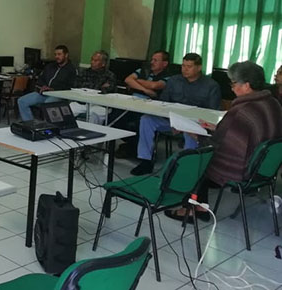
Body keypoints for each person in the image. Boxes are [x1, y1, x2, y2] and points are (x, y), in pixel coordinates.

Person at [164, 61, 282, 222]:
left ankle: (195, 210)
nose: (232, 88)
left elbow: (216, 145)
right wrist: (217, 127)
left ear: (246, 85)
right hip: (264, 169)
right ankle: (199, 206)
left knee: (196, 160)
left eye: (233, 83)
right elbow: (242, 133)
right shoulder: (273, 103)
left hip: (243, 170)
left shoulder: (242, 110)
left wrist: (193, 132)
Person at [131, 53, 221, 175]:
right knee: (146, 120)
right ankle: (145, 160)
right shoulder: (174, 81)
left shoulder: (211, 85)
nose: (185, 69)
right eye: (183, 66)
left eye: (189, 66)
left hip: (194, 123)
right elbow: (163, 103)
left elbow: (212, 112)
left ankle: (186, 167)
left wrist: (184, 124)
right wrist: (175, 121)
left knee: (190, 131)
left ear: (199, 67)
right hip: (171, 119)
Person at [116, 51, 172, 159]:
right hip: (132, 102)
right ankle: (131, 145)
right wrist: (145, 90)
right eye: (152, 59)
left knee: (139, 122)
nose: (152, 62)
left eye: (155, 60)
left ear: (164, 63)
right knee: (115, 117)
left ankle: (133, 148)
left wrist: (137, 81)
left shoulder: (169, 76)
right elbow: (128, 79)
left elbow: (155, 85)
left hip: (150, 106)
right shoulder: (143, 69)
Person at [17, 45, 76, 121]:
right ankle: (30, 123)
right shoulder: (50, 66)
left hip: (58, 95)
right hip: (44, 93)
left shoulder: (71, 70)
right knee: (22, 101)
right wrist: (43, 86)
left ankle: (47, 125)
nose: (56, 57)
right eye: (55, 54)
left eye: (59, 54)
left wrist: (53, 89)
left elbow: (70, 87)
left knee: (48, 103)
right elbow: (41, 79)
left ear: (66, 55)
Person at [69, 50, 116, 124]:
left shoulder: (110, 75)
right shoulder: (85, 72)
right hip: (83, 102)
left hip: (100, 105)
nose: (92, 62)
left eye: (95, 61)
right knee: (69, 109)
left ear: (103, 63)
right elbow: (76, 85)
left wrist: (89, 87)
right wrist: (98, 87)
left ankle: (89, 131)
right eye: (92, 59)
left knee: (94, 115)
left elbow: (107, 90)